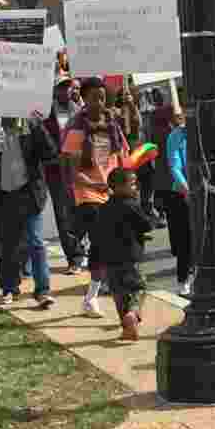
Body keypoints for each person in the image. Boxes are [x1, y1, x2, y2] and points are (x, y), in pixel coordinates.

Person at [0, 114, 59, 308]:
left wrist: (37, 126)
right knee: (6, 244)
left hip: (28, 194)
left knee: (36, 242)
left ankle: (43, 290)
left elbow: (50, 152)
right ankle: (10, 288)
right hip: (2, 194)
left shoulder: (30, 123)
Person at [61, 76, 129, 318]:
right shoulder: (76, 128)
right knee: (104, 244)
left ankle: (92, 297)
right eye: (93, 98)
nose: (99, 102)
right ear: (84, 99)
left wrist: (124, 181)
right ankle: (95, 297)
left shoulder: (113, 125)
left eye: (102, 97)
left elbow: (123, 158)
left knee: (110, 247)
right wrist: (97, 184)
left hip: (111, 193)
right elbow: (72, 172)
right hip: (88, 194)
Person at [96, 167, 153, 340]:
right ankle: (133, 314)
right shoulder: (132, 205)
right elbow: (146, 225)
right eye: (133, 184)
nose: (136, 187)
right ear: (120, 187)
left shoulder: (104, 208)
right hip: (130, 257)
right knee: (138, 288)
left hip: (110, 259)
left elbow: (98, 234)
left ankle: (126, 326)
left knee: (118, 292)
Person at [44, 76, 80, 273]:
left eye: (68, 86)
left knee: (81, 211)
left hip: (78, 169)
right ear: (55, 90)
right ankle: (73, 257)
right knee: (63, 214)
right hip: (56, 170)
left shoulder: (79, 109)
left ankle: (84, 251)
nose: (66, 90)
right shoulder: (46, 112)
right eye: (62, 87)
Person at [159, 106, 193, 295]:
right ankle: (184, 280)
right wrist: (186, 190)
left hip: (204, 191)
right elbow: (175, 166)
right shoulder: (175, 136)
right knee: (184, 241)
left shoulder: (206, 133)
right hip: (180, 195)